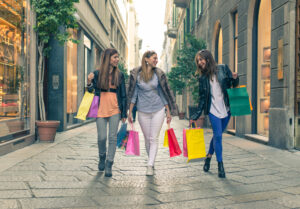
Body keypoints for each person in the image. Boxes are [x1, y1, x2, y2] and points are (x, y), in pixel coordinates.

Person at [127, 50, 178, 176]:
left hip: (158, 109)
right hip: (143, 111)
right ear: (146, 59)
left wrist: (168, 111)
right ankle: (151, 160)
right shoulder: (137, 75)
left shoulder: (158, 74)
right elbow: (134, 95)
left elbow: (163, 93)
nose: (156, 60)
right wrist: (130, 112)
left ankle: (149, 165)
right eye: (154, 58)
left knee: (153, 138)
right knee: (147, 138)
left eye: (156, 58)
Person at [190, 49, 238, 178]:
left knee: (217, 136)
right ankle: (220, 166)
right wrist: (195, 115)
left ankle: (208, 158)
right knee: (218, 136)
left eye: (201, 59)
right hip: (213, 110)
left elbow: (233, 85)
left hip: (226, 109)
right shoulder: (202, 78)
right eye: (198, 61)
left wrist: (235, 78)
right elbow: (201, 99)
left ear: (208, 58)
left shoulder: (223, 68)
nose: (199, 63)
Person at [87, 48, 127, 177]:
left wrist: (124, 114)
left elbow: (123, 95)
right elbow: (90, 92)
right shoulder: (97, 74)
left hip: (115, 108)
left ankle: (109, 163)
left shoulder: (120, 75)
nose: (117, 59)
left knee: (112, 137)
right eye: (115, 57)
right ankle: (102, 156)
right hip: (100, 109)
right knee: (101, 137)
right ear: (107, 58)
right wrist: (89, 82)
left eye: (117, 57)